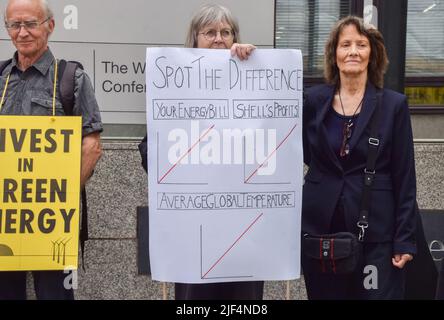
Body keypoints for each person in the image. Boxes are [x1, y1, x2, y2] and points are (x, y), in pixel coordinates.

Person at [139, 4, 262, 300]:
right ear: (194, 39)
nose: (219, 39)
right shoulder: (174, 88)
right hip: (194, 230)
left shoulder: (256, 82)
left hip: (243, 228)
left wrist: (256, 65)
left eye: (226, 32)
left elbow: (285, 122)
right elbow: (148, 151)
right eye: (210, 32)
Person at [302, 16, 416, 299]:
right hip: (321, 232)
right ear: (334, 54)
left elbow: (405, 176)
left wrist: (404, 239)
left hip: (377, 235)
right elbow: (302, 152)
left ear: (372, 54)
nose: (353, 51)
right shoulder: (312, 101)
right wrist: (245, 58)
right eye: (345, 44)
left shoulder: (393, 105)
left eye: (361, 44)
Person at [0, 0, 102, 300]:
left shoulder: (72, 79)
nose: (22, 32)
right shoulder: (0, 78)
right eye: (14, 25)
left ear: (50, 26)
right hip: (5, 221)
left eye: (30, 24)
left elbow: (91, 146)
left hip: (52, 223)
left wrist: (62, 198)